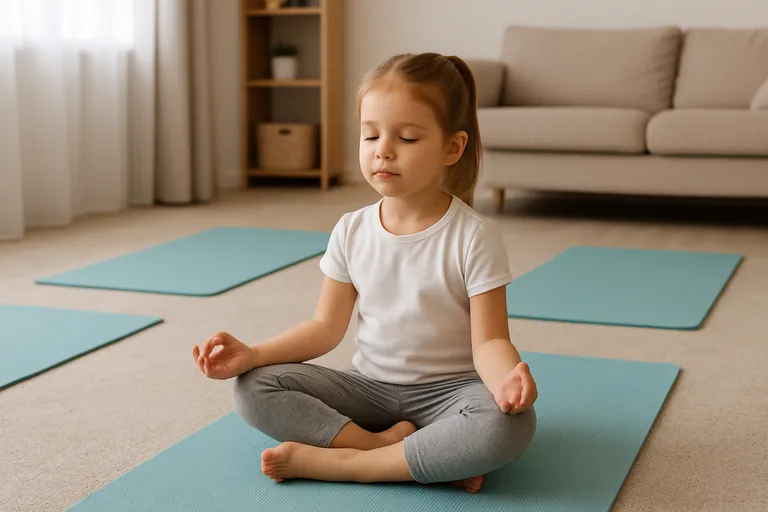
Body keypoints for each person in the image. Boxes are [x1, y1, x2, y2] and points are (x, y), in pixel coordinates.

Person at [192, 52, 538, 494]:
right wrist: (254, 354)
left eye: (407, 138)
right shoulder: (351, 229)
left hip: (450, 395)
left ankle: (348, 464)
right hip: (367, 389)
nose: (383, 150)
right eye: (370, 135)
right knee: (252, 387)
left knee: (510, 426)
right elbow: (324, 328)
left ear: (452, 147)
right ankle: (391, 450)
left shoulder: (474, 235)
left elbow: (489, 340)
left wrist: (507, 380)